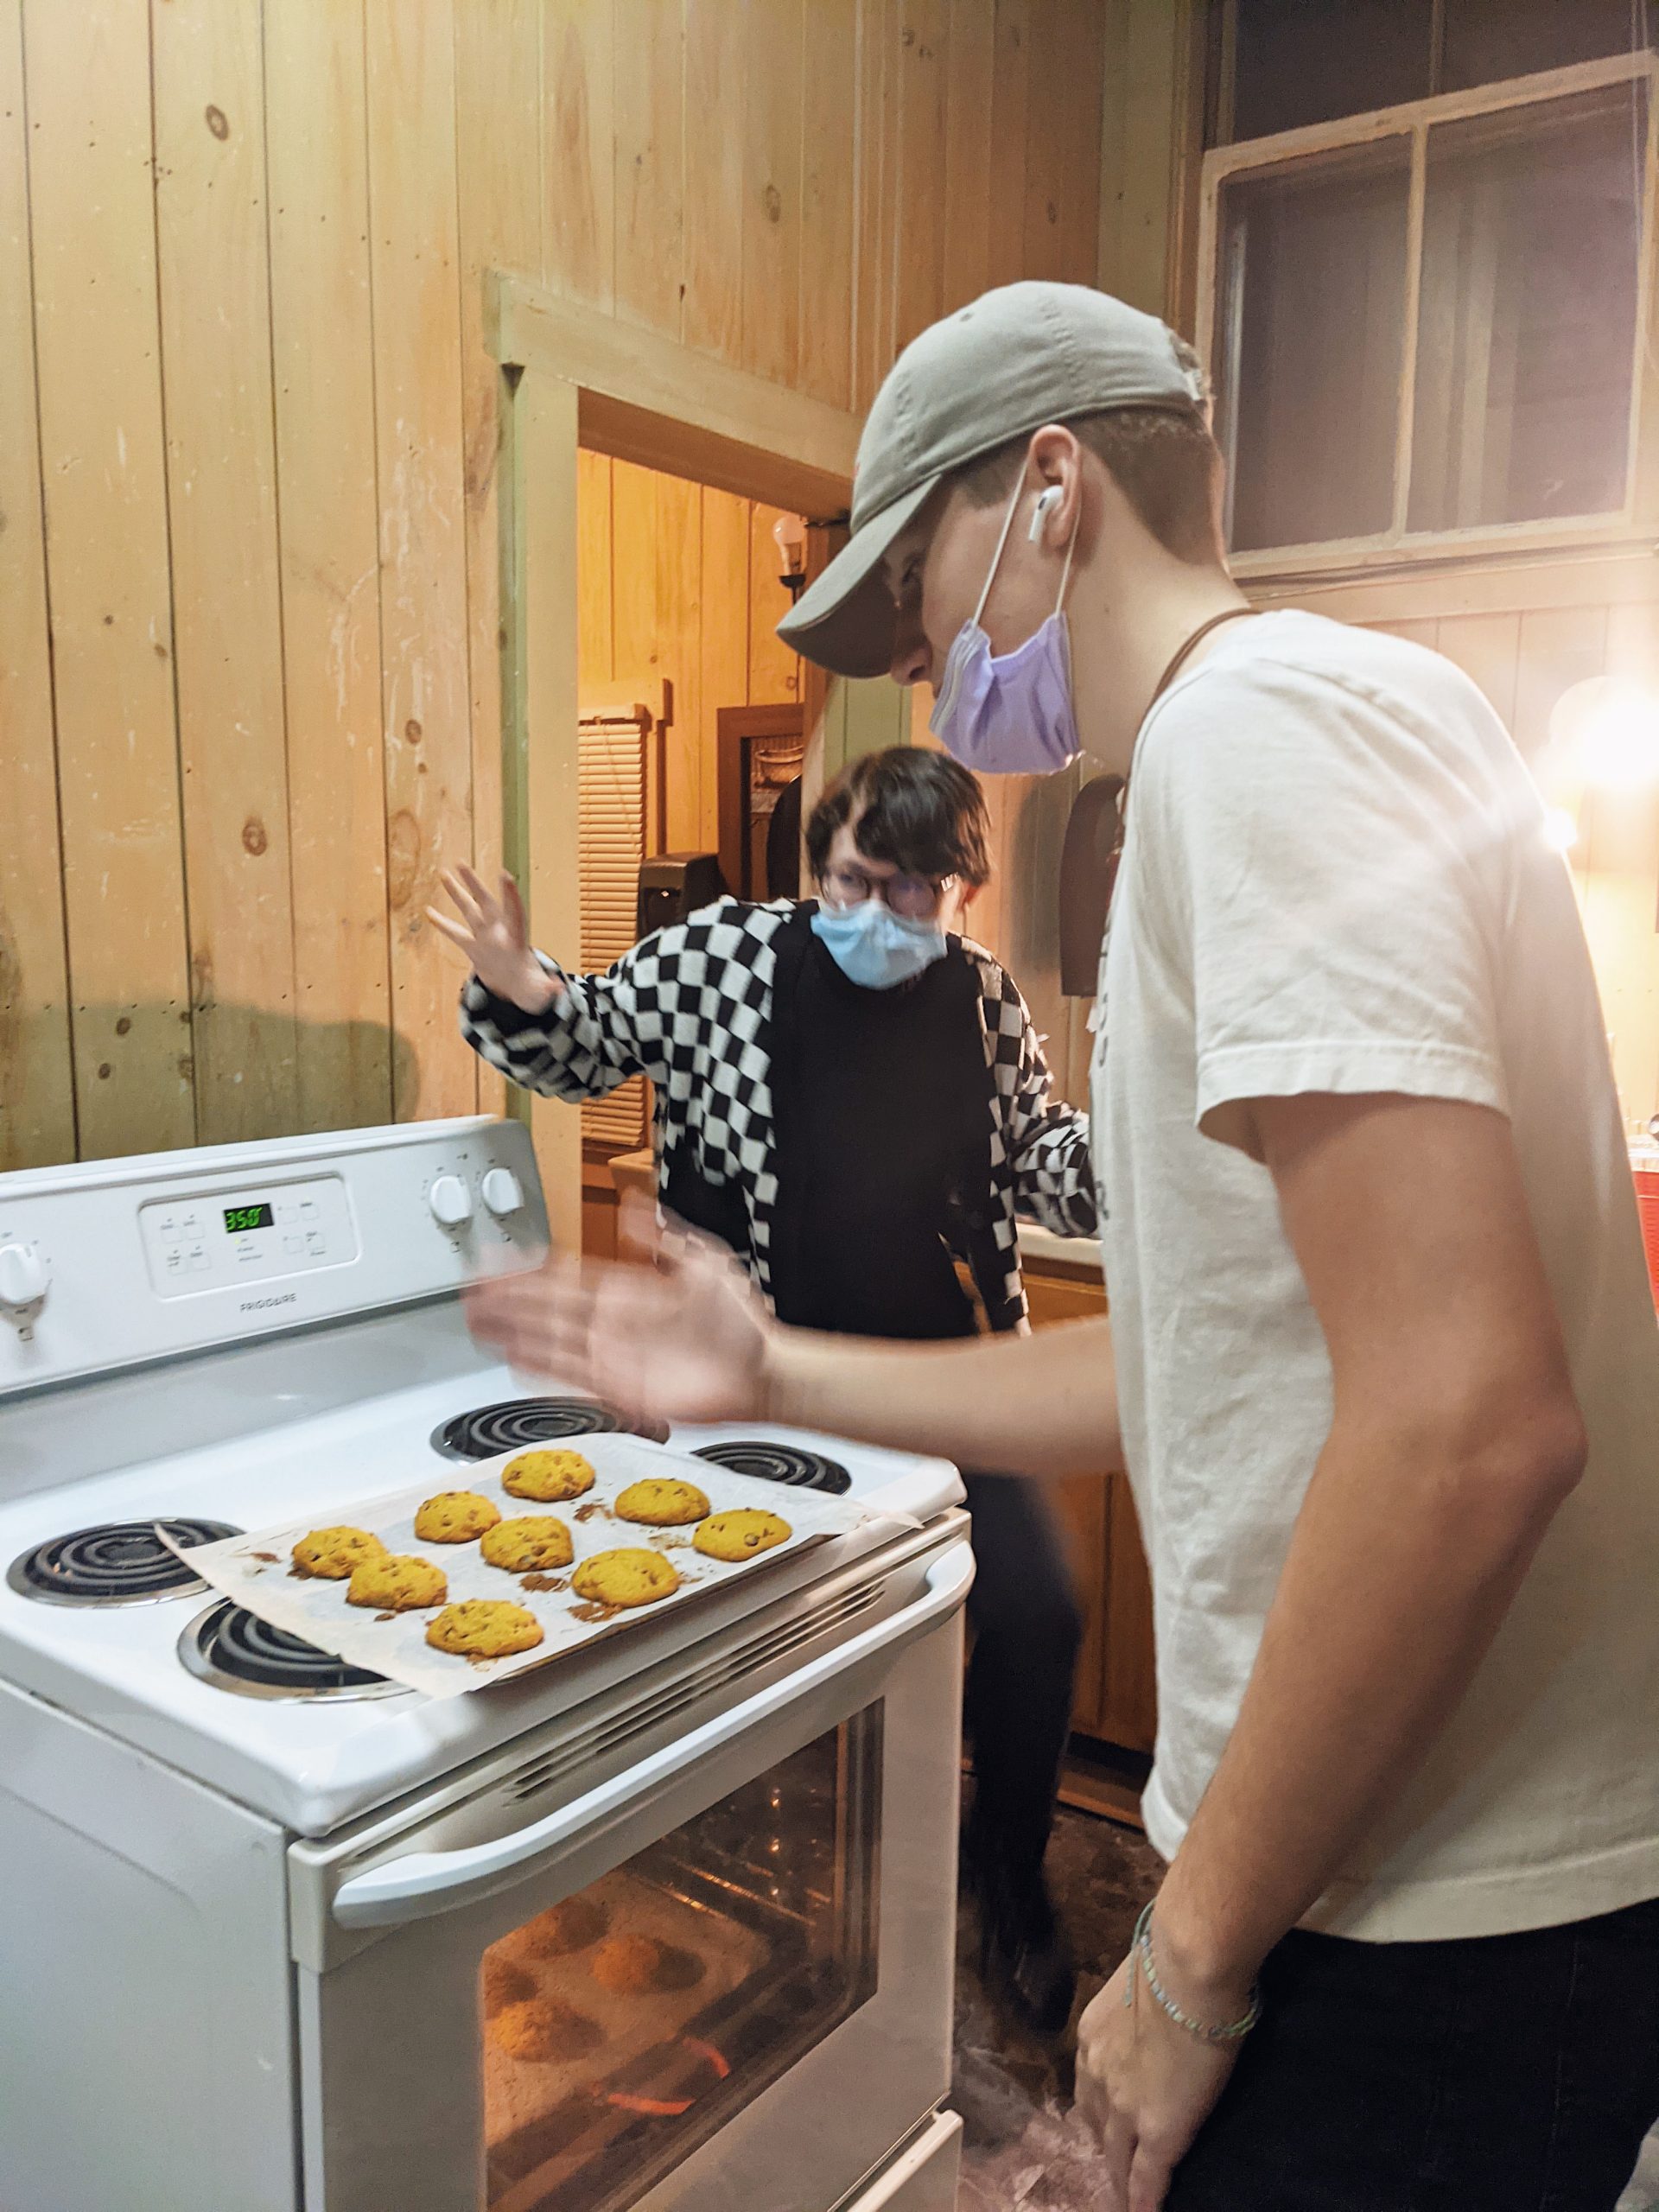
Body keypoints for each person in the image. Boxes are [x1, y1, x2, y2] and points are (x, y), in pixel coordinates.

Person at [464, 282, 1659, 2212]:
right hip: (1417, 1872)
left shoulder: (1248, 743)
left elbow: (1467, 1427)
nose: (931, 679)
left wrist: (1183, 1966)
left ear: (1049, 489)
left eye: (919, 599)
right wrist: (765, 1366)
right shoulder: (1340, 711)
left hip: (1433, 1900)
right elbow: (1200, 1349)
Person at [431, 744, 1097, 2031]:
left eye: (917, 894)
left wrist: (1141, 1139)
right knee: (769, 1659)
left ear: (968, 888)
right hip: (756, 1398)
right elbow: (582, 1045)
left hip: (949, 1386)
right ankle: (765, 1919)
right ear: (817, 871)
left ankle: (1008, 1881)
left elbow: (1039, 1158)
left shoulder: (987, 1002)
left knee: (1037, 1619)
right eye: (855, 881)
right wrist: (520, 981)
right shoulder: (722, 959)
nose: (881, 916)